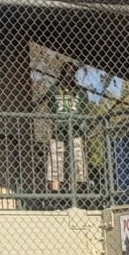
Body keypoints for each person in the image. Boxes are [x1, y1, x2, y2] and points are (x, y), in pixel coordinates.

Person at [45, 61, 88, 192]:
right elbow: (52, 107)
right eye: (66, 72)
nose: (69, 76)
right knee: (55, 162)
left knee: (78, 162)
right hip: (58, 132)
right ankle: (56, 194)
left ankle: (75, 192)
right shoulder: (54, 90)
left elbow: (84, 109)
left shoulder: (80, 91)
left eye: (72, 73)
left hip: (75, 132)